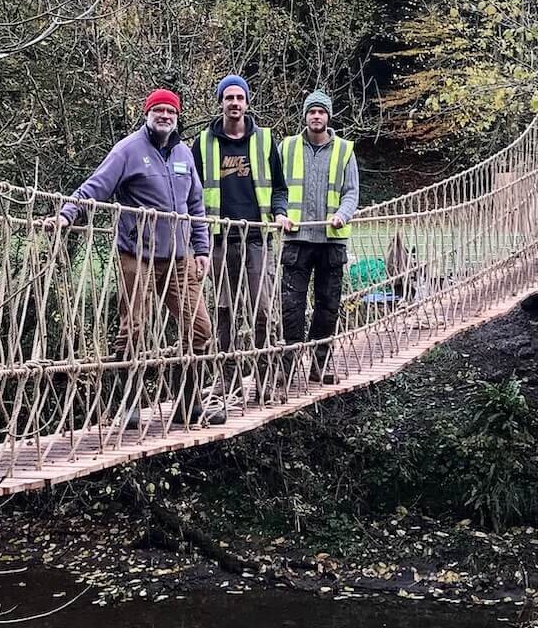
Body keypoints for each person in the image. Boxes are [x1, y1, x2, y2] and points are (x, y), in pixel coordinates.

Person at [44, 88, 226, 429]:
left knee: (200, 329)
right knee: (133, 329)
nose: (164, 116)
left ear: (177, 117)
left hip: (179, 258)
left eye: (170, 112)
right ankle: (128, 404)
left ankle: (190, 403)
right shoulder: (128, 150)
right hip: (137, 254)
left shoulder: (184, 154)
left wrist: (201, 250)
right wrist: (67, 215)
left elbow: (196, 206)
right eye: (158, 110)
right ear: (147, 114)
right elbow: (94, 188)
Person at [191, 74, 292, 405]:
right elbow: (191, 193)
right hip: (218, 240)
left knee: (263, 310)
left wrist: (279, 212)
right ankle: (228, 380)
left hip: (256, 238)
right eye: (228, 97)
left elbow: (279, 187)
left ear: (248, 103)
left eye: (240, 97)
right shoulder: (203, 144)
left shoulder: (264, 141)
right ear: (220, 102)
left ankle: (264, 379)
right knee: (224, 312)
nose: (234, 103)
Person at [279, 89, 359, 386]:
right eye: (312, 111)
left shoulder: (345, 150)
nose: (316, 116)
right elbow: (278, 189)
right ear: (305, 115)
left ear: (328, 116)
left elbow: (352, 192)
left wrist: (343, 214)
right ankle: (287, 367)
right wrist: (280, 213)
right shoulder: (286, 148)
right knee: (291, 306)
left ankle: (320, 364)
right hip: (296, 238)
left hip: (331, 239)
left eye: (321, 112)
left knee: (328, 305)